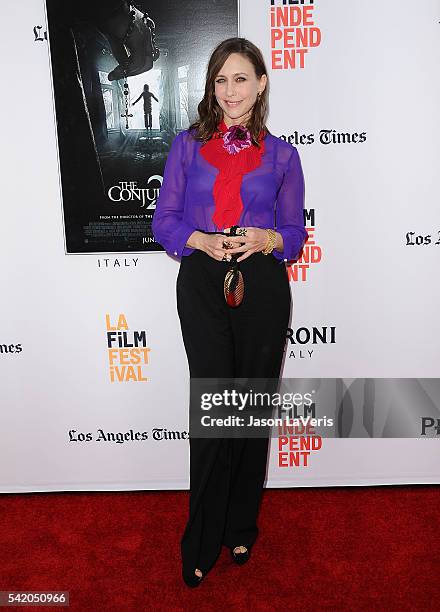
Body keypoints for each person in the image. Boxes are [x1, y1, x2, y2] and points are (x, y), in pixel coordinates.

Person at [151, 37, 308, 587]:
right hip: (201, 279)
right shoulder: (186, 147)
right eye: (221, 80)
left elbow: (294, 236)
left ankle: (241, 523)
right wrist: (200, 239)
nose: (231, 91)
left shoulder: (284, 156)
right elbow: (163, 220)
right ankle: (202, 535)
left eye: (241, 79)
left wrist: (267, 238)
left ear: (261, 84)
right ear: (211, 88)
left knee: (250, 410)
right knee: (215, 410)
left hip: (261, 285)